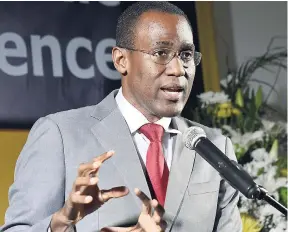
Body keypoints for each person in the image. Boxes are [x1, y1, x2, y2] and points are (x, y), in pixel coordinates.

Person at [1, 2, 242, 232]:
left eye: (186, 55)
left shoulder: (215, 147)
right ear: (121, 60)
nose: (179, 70)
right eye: (161, 53)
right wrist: (62, 222)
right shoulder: (59, 135)